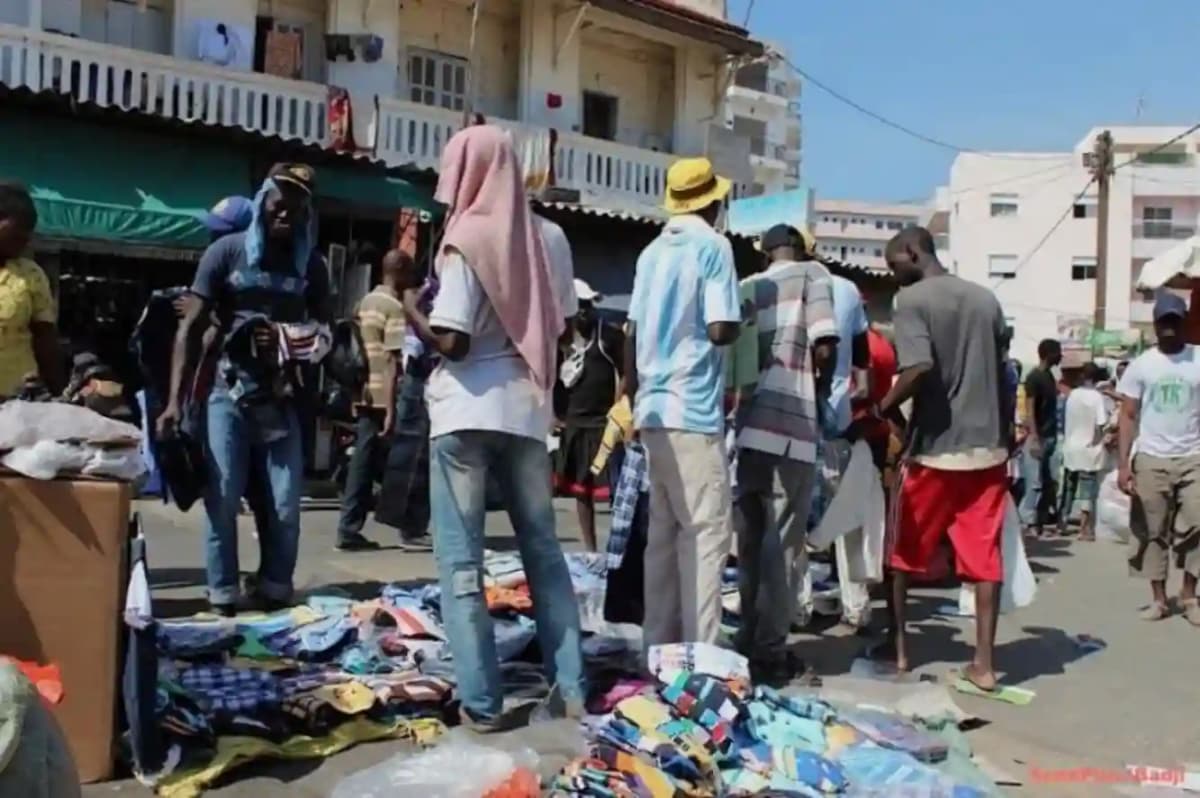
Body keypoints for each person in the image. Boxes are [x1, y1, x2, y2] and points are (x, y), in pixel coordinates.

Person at [402, 125, 584, 727]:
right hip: (528, 409)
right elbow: (562, 322)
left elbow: (451, 340)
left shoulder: (467, 236)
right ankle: (571, 686)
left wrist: (406, 303)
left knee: (461, 564)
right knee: (544, 552)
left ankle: (482, 703)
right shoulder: (551, 238)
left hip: (464, 413)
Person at [158, 164, 329, 617]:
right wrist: (174, 401)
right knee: (223, 498)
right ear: (263, 200)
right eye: (280, 198)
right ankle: (222, 595)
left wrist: (289, 339)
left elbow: (330, 333)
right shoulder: (226, 253)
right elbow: (190, 328)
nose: (286, 210)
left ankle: (274, 587)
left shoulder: (312, 265)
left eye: (298, 203)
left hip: (282, 401)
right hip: (225, 396)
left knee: (286, 506)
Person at [876, 226, 1012, 690]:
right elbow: (1004, 373)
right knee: (984, 558)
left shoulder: (912, 302)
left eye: (895, 266)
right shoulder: (985, 299)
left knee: (901, 552)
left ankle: (899, 653)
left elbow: (918, 367)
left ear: (913, 252)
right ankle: (985, 666)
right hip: (988, 450)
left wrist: (884, 406)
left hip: (935, 450)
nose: (894, 278)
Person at [625, 156, 741, 651]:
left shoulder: (650, 253)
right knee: (705, 537)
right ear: (714, 202)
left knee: (663, 538)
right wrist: (742, 317)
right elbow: (720, 329)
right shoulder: (715, 247)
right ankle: (701, 655)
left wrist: (633, 399)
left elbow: (630, 333)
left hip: (652, 408)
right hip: (692, 408)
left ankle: (659, 648)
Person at [732, 223, 836, 680]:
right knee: (784, 542)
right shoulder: (815, 276)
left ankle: (748, 637)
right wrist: (820, 396)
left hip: (749, 424)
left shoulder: (748, 286)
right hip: (792, 423)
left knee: (752, 541)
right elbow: (826, 344)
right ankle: (771, 651)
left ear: (765, 253)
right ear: (800, 248)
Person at [334, 249, 428, 552]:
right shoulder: (393, 307)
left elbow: (355, 352)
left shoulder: (364, 302)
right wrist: (390, 408)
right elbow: (390, 359)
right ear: (399, 271)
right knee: (368, 460)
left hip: (361, 390)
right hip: (379, 395)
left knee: (363, 458)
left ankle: (352, 524)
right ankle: (351, 527)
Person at [1116, 293, 1200, 625]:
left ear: (1184, 323)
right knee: (1153, 531)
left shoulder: (1198, 359)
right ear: (1155, 323)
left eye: (1174, 321)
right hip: (1151, 458)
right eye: (1164, 321)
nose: (1169, 328)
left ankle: (1190, 595)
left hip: (1194, 456)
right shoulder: (1142, 365)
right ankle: (1159, 599)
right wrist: (1124, 465)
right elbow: (1127, 415)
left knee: (1197, 525)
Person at [553, 279, 624, 552]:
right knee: (581, 491)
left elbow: (627, 371)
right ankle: (591, 550)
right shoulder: (561, 341)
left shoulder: (608, 336)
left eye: (587, 306)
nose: (583, 312)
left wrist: (619, 405)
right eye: (578, 307)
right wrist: (552, 415)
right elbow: (549, 380)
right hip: (574, 424)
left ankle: (618, 548)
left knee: (613, 490)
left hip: (603, 424)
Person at [0, 182, 64, 398]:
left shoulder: (31, 275)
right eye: (18, 232)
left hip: (15, 402)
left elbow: (45, 339)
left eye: (28, 232)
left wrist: (59, 394)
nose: (25, 240)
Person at [1059, 362, 1109, 541]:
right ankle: (1084, 528)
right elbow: (1101, 424)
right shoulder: (1097, 398)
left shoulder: (1072, 395)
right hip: (1089, 450)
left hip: (1071, 447)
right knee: (1087, 489)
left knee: (1069, 486)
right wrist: (1100, 439)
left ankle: (1062, 521)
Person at [1021, 338, 1062, 537]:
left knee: (1049, 483)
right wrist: (1034, 437)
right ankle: (1027, 522)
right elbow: (1029, 409)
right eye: (1059, 352)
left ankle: (1040, 523)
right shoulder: (1034, 378)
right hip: (1038, 437)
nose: (1061, 356)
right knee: (1034, 484)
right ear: (1049, 354)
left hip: (1050, 436)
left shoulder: (1049, 377)